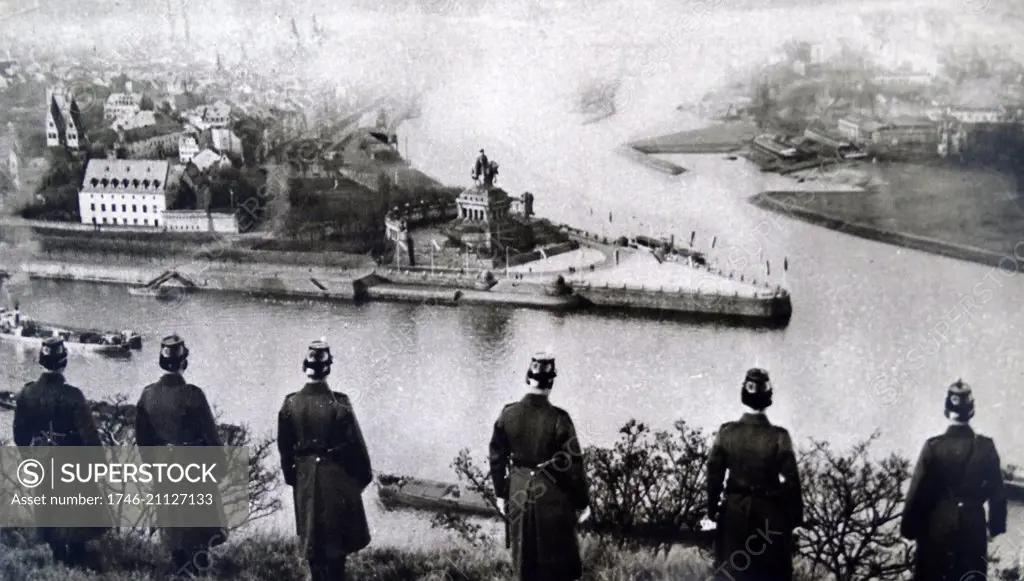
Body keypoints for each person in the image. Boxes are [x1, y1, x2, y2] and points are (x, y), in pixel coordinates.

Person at [489, 352, 589, 581]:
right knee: (557, 567)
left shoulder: (508, 414)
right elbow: (574, 465)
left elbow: (496, 457)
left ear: (527, 378)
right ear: (551, 382)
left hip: (518, 493)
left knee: (524, 565)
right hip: (553, 498)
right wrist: (583, 502)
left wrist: (500, 493)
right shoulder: (560, 419)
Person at [277, 339, 373, 581]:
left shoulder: (290, 403)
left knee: (312, 543)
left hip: (305, 479)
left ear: (304, 367)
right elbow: (358, 453)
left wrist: (297, 479)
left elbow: (284, 449)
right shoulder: (341, 403)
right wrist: (355, 484)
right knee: (336, 549)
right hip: (336, 480)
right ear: (328, 368)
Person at [13, 337, 111, 570]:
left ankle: (59, 563)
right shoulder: (73, 396)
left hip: (43, 467)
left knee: (51, 519)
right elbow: (90, 440)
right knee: (75, 522)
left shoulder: (26, 393)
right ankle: (76, 566)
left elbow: (20, 436)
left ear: (41, 362)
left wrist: (33, 460)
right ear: (64, 362)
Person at [135, 334, 228, 576]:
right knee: (197, 531)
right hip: (194, 468)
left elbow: (143, 440)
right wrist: (219, 469)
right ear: (184, 362)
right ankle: (194, 572)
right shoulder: (193, 394)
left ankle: (180, 570)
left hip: (164, 468)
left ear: (160, 362)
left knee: (173, 527)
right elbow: (212, 437)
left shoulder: (147, 394)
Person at [900, 380, 1006, 581]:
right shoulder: (985, 447)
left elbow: (917, 494)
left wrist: (909, 528)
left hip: (936, 527)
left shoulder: (933, 447)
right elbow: (998, 494)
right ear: (971, 411)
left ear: (947, 411)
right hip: (972, 527)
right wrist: (995, 526)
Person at [706, 368, 803, 581]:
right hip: (770, 517)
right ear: (769, 397)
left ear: (744, 394)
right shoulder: (780, 436)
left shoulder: (727, 432)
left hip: (734, 514)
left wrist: (712, 511)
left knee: (731, 573)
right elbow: (792, 482)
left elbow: (714, 475)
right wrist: (795, 521)